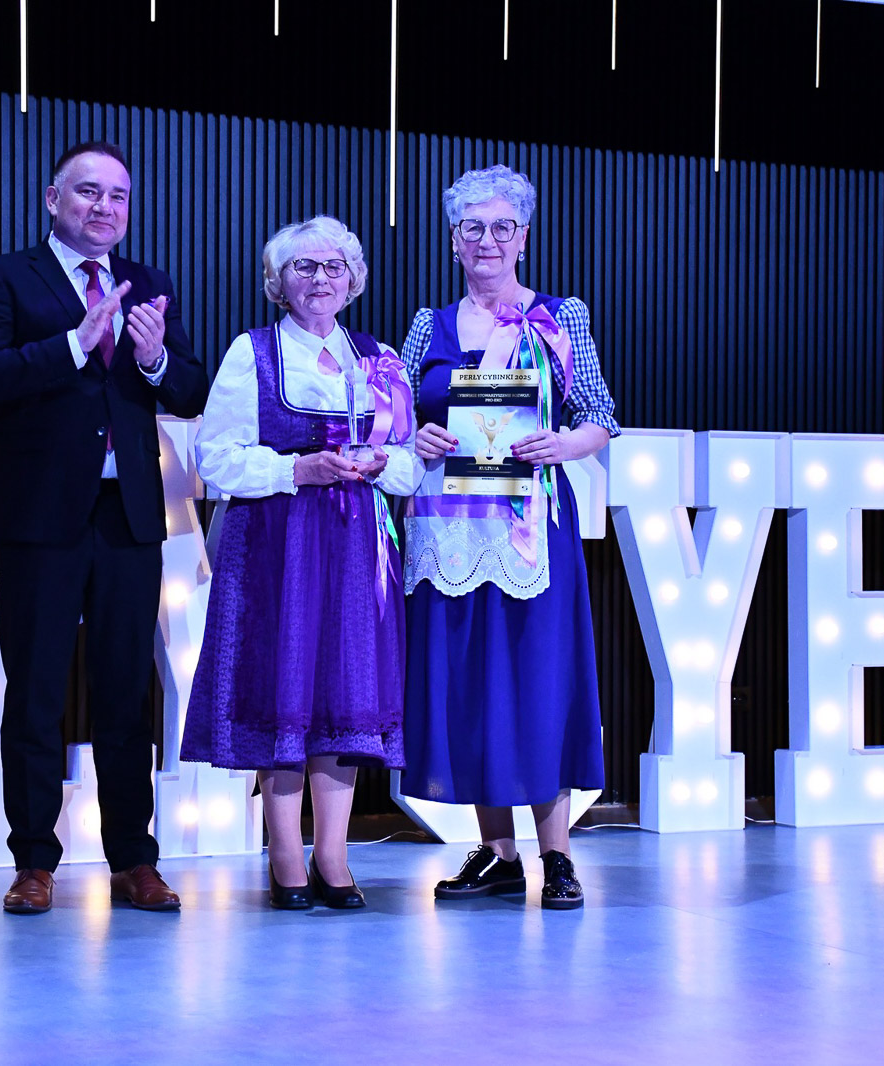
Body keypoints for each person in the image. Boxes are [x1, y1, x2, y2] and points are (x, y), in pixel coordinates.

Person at [0, 142, 209, 915]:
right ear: (52, 198)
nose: (105, 207)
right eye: (89, 192)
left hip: (128, 514)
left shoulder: (150, 284)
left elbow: (191, 391)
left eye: (118, 196)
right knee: (35, 690)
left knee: (126, 692)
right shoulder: (5, 276)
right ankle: (34, 861)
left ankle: (134, 860)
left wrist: (156, 358)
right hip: (39, 514)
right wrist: (74, 342)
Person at [182, 216, 423, 910]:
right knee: (282, 691)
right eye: (303, 267)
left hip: (355, 547)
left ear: (354, 280)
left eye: (333, 266)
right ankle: (286, 857)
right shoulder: (252, 352)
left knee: (345, 696)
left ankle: (334, 857)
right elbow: (215, 457)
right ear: (277, 283)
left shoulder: (379, 359)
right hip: (274, 544)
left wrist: (380, 462)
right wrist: (297, 469)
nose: (320, 279)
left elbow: (410, 464)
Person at [398, 165, 620, 910]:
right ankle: (497, 855)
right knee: (467, 685)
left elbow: (600, 415)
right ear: (453, 240)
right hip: (449, 532)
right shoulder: (428, 326)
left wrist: (565, 444)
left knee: (537, 680)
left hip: (531, 529)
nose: (487, 240)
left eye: (501, 227)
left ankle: (556, 856)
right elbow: (397, 417)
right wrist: (416, 436)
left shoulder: (560, 317)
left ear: (523, 237)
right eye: (472, 228)